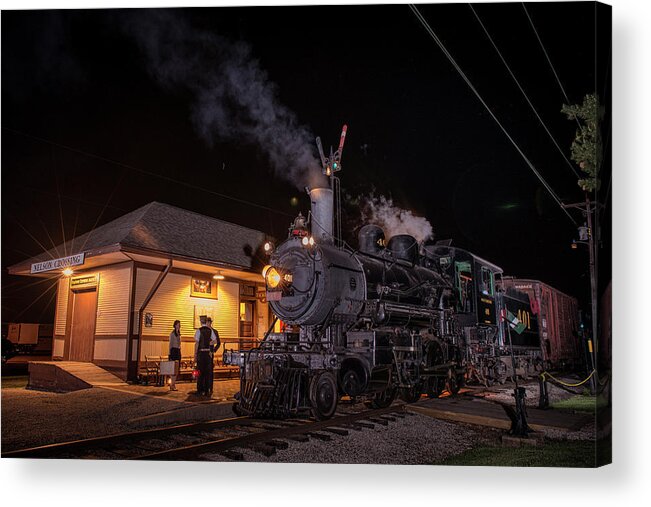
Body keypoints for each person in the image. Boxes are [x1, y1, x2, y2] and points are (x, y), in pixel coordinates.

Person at [194, 316, 220, 396]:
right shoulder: (210, 330)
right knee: (207, 372)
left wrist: (195, 354)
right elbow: (215, 341)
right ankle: (206, 390)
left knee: (200, 371)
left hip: (201, 353)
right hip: (208, 354)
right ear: (206, 322)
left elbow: (197, 343)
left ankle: (200, 390)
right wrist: (209, 343)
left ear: (201, 322)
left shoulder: (199, 331)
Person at [168, 320, 182, 391]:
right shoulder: (172, 334)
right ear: (175, 325)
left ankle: (173, 384)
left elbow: (179, 344)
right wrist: (169, 353)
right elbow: (170, 344)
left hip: (178, 351)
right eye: (178, 325)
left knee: (176, 369)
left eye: (180, 325)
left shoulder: (179, 334)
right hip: (173, 351)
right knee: (172, 368)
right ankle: (172, 385)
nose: (179, 326)